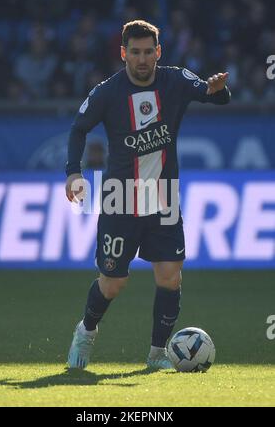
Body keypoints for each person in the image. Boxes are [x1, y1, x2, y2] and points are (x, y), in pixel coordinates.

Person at [65, 20, 231, 370]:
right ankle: (86, 330)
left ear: (159, 52)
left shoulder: (176, 80)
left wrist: (218, 88)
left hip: (164, 197)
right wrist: (73, 172)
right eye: (135, 53)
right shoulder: (107, 92)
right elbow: (79, 128)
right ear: (124, 53)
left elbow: (217, 96)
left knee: (170, 275)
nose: (142, 60)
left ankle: (157, 355)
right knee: (113, 283)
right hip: (120, 198)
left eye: (148, 52)